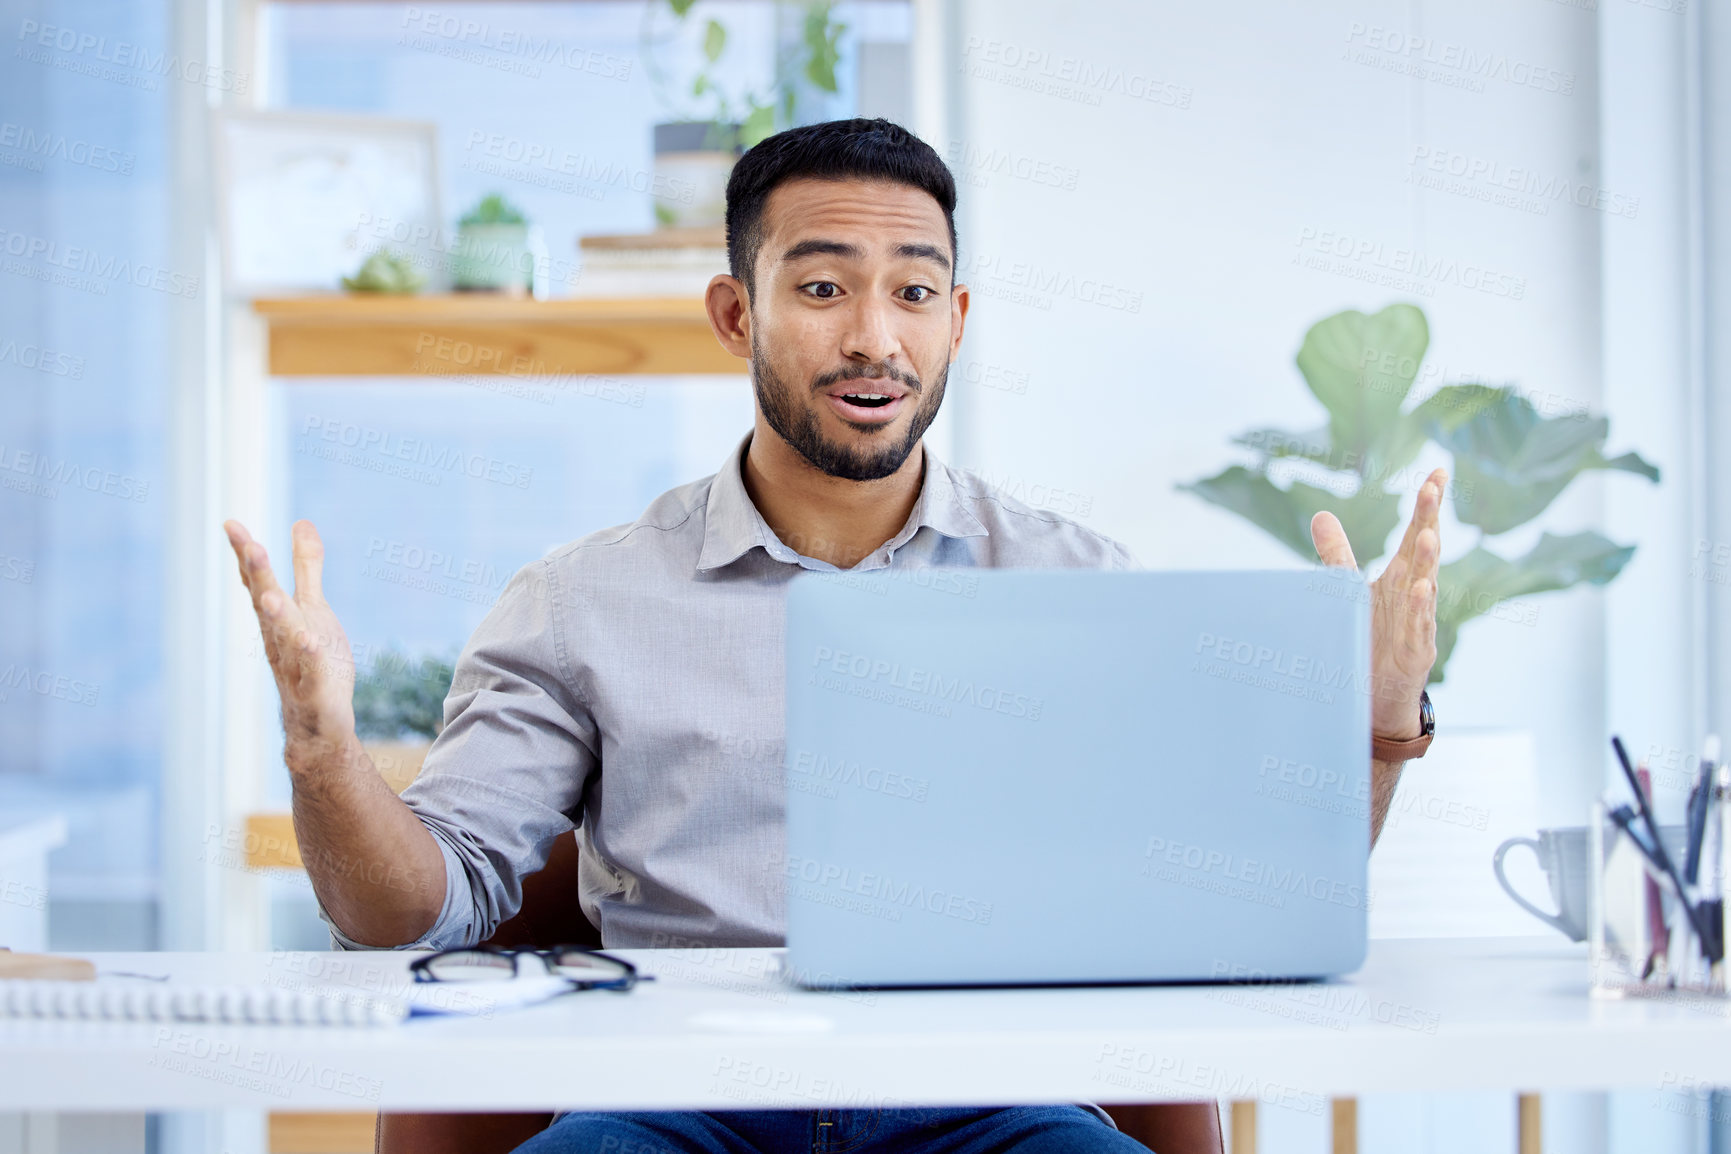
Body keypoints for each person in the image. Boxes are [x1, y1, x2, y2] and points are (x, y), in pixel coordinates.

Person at [224, 118, 1444, 1154]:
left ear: (955, 319)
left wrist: (1379, 727)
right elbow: (405, 912)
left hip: (989, 1099)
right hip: (666, 1103)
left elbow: (1245, 901)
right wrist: (327, 753)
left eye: (914, 290)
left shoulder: (1077, 582)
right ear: (732, 310)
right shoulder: (578, 599)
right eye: (820, 287)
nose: (874, 335)